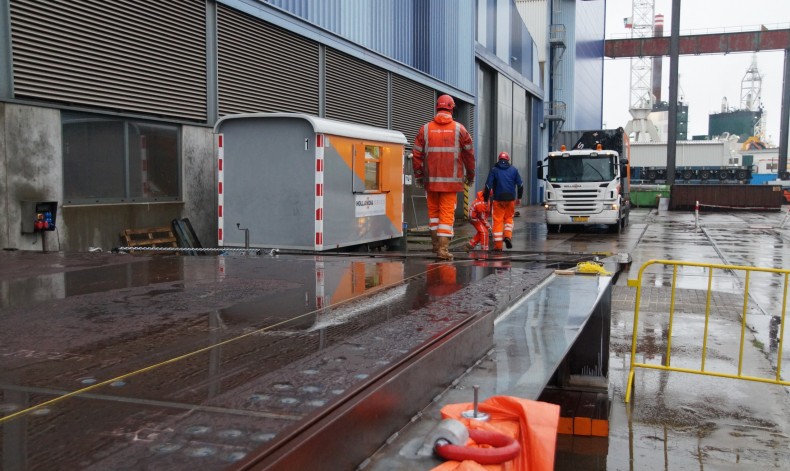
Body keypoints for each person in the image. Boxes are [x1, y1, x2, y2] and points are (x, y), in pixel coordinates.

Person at [412, 94, 475, 261]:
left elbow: (416, 155)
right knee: (446, 216)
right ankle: (443, 249)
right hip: (451, 184)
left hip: (431, 182)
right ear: (452, 108)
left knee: (433, 215)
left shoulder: (425, 129)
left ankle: (435, 245)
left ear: (437, 108)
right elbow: (469, 155)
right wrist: (471, 175)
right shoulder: (460, 129)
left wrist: (419, 176)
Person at [484, 152, 523, 251]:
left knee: (498, 221)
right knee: (509, 218)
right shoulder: (514, 170)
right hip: (510, 199)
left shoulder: (494, 170)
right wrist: (519, 198)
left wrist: (485, 200)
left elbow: (488, 186)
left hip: (498, 199)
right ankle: (507, 236)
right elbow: (520, 185)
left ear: (499, 159)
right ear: (508, 160)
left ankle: (498, 246)